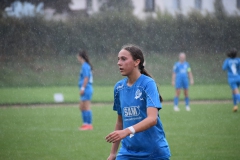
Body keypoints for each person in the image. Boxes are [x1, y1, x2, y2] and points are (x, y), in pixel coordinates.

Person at [105, 45, 171, 160]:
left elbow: (152, 119)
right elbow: (120, 122)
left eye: (123, 59)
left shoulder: (148, 84)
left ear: (137, 62)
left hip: (154, 153)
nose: (119, 63)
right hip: (127, 152)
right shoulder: (119, 87)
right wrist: (113, 153)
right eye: (118, 59)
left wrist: (127, 131)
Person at [77, 50, 94, 130]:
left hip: (87, 88)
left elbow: (86, 77)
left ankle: (89, 125)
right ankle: (85, 124)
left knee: (86, 107)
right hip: (86, 88)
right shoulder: (85, 65)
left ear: (80, 57)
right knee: (81, 107)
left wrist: (83, 88)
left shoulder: (85, 66)